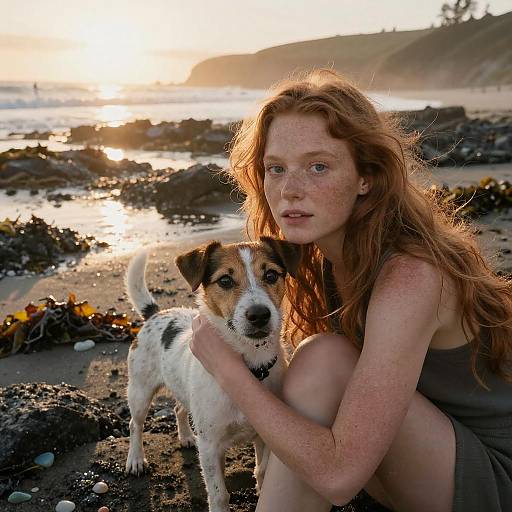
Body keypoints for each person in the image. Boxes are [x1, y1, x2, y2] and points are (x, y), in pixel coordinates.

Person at [189, 69, 512, 512]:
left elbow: (339, 478)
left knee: (323, 360)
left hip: (491, 480)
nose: (290, 189)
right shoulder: (320, 261)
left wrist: (229, 372)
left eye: (318, 166)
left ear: (366, 177)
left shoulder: (409, 276)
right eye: (275, 168)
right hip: (416, 452)